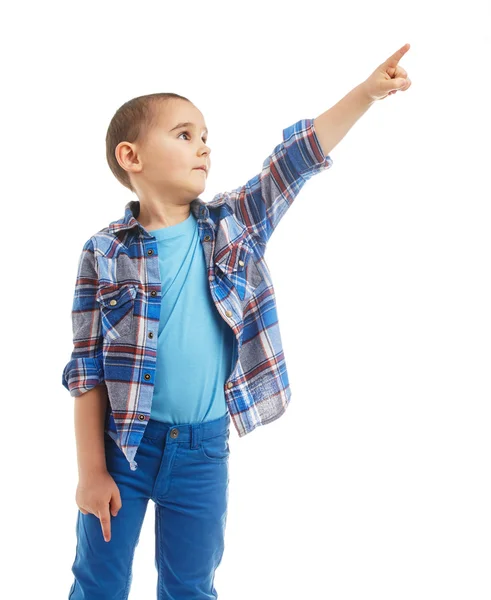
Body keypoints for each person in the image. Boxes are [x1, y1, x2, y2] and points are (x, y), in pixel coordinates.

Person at [62, 44, 411, 600]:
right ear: (132, 156)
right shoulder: (102, 252)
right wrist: (90, 471)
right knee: (98, 582)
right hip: (123, 448)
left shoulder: (234, 224)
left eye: (205, 138)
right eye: (183, 135)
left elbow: (292, 161)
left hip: (203, 450)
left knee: (190, 586)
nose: (203, 147)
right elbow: (86, 369)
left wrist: (366, 94)